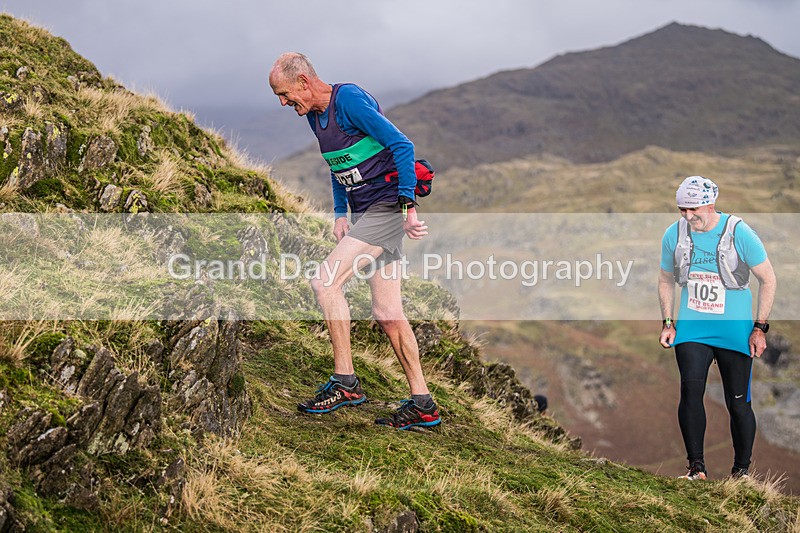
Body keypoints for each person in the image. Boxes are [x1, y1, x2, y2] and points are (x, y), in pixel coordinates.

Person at [268, 52, 441, 429]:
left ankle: (345, 382)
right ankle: (423, 404)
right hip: (363, 214)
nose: (283, 103)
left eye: (284, 94)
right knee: (387, 313)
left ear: (303, 81)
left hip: (385, 209)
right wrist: (340, 213)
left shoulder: (348, 101)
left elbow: (403, 146)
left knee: (325, 282)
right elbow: (337, 163)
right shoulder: (316, 117)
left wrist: (408, 206)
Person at [658, 176, 776, 480]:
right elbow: (665, 279)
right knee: (690, 391)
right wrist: (668, 323)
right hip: (693, 329)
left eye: (692, 208)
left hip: (734, 331)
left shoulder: (739, 232)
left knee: (737, 403)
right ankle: (696, 468)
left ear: (710, 203)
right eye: (682, 209)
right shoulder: (674, 234)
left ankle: (741, 473)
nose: (687, 215)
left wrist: (759, 328)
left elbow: (768, 278)